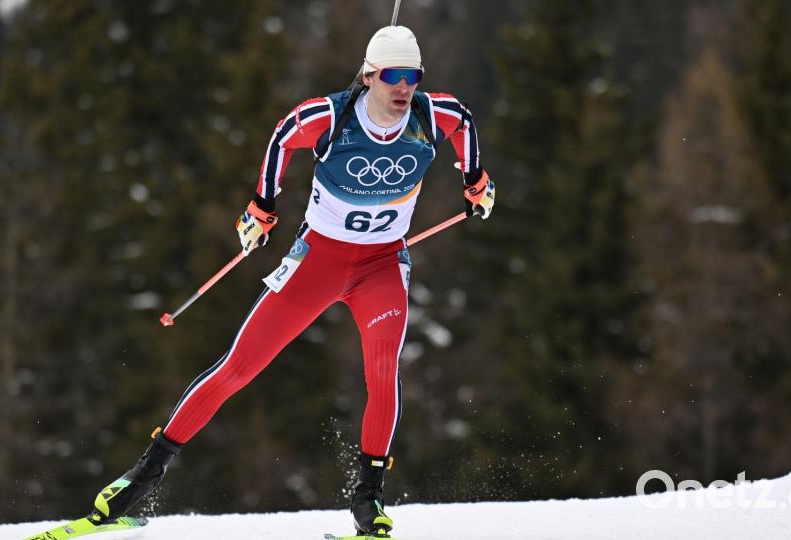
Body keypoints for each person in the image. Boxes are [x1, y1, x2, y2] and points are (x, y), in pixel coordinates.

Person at [87, 25, 495, 538]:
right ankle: (136, 482)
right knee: (238, 367)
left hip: (382, 265)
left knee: (383, 371)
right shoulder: (331, 117)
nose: (402, 87)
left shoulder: (433, 116)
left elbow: (465, 122)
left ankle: (368, 502)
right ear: (369, 75)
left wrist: (475, 180)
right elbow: (283, 135)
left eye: (412, 76)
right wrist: (262, 206)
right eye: (392, 75)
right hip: (318, 262)